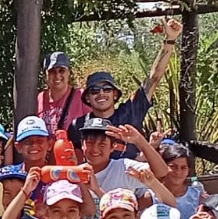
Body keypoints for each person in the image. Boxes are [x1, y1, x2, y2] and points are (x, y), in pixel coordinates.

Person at [67, 18, 184, 153]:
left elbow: (154, 78)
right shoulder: (78, 126)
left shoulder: (131, 112)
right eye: (94, 91)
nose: (101, 94)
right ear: (87, 97)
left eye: (107, 89)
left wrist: (170, 39)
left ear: (115, 94)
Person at [37, 52, 85, 137]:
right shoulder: (39, 98)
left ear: (69, 72)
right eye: (52, 71)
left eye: (61, 70)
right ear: (45, 74)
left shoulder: (82, 97)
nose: (57, 75)